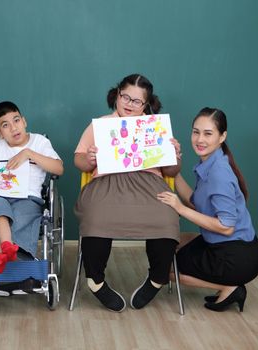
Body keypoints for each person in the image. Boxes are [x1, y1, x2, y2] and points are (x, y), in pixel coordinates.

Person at [74, 74, 182, 312]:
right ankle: (95, 281)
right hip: (107, 182)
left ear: (146, 104)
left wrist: (174, 155)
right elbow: (79, 161)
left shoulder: (155, 127)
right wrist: (89, 158)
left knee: (166, 215)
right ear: (117, 95)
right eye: (126, 97)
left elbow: (172, 172)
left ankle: (156, 279)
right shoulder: (100, 124)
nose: (129, 104)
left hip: (148, 184)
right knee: (97, 216)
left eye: (137, 101)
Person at [157, 107, 258, 312]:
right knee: (172, 240)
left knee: (164, 270)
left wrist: (178, 207)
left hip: (235, 256)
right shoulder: (211, 162)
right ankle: (227, 283)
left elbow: (226, 227)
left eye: (208, 133)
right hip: (236, 246)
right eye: (195, 132)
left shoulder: (219, 174)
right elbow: (195, 202)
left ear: (222, 136)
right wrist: (173, 171)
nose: (199, 139)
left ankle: (229, 286)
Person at [0, 101, 64, 274]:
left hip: (28, 198)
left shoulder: (40, 142)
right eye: (5, 125)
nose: (13, 128)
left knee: (20, 215)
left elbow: (59, 168)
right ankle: (7, 246)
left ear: (24, 121)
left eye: (16, 121)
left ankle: (3, 251)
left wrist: (28, 153)